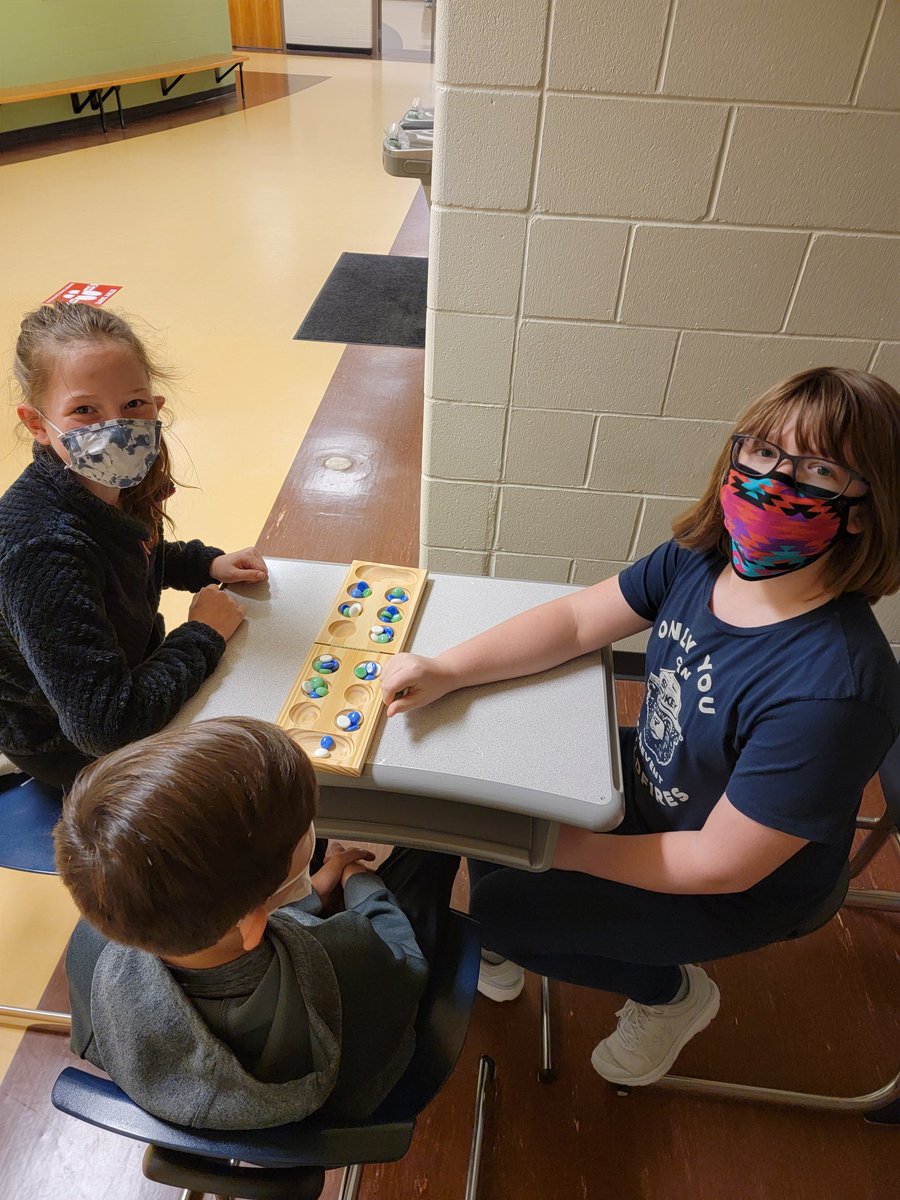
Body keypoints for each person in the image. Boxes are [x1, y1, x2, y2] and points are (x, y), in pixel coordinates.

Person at [380, 367, 900, 1087]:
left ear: (869, 508)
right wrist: (448, 670)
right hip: (661, 786)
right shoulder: (700, 561)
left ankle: (672, 994)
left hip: (739, 883)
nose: (772, 480)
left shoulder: (835, 688)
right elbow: (576, 619)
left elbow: (720, 864)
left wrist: (568, 848)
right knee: (494, 797)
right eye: (761, 452)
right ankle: (533, 924)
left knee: (500, 911)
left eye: (816, 468)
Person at [56, 716, 460, 1129]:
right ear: (253, 922)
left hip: (176, 1103)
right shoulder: (343, 952)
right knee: (434, 850)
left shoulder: (91, 947)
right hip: (340, 1107)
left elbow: (245, 939)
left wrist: (309, 894)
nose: (309, 830)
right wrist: (362, 884)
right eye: (303, 833)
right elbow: (405, 964)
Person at [0, 301, 263, 788]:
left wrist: (206, 565)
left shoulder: (108, 483)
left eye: (133, 405)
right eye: (84, 410)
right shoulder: (41, 551)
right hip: (69, 745)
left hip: (128, 670)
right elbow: (104, 727)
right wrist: (202, 633)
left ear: (155, 407)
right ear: (37, 423)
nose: (116, 428)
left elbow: (131, 556)